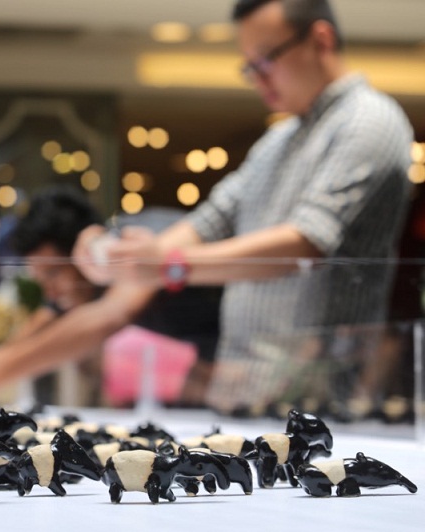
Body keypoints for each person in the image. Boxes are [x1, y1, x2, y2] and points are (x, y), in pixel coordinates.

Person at [74, 0, 414, 414]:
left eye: (266, 59)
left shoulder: (368, 120)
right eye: (249, 66)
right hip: (245, 387)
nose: (257, 78)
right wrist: (121, 253)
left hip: (320, 398)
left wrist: (168, 264)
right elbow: (212, 219)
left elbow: (305, 243)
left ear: (320, 40)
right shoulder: (278, 139)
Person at [0, 185, 222, 404]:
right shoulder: (72, 286)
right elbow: (34, 333)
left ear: (81, 251)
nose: (49, 290)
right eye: (40, 279)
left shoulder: (128, 243)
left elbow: (110, 314)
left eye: (53, 274)